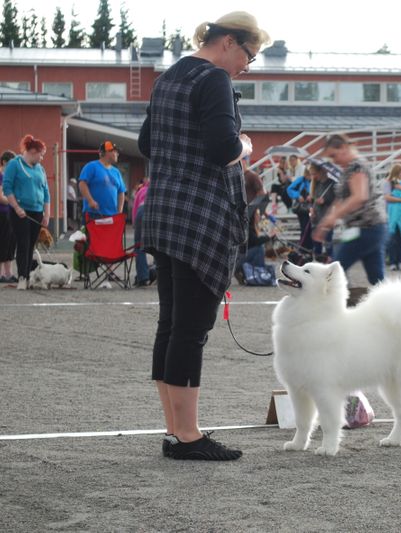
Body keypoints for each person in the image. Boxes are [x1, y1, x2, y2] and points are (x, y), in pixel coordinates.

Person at [138, 11, 270, 461]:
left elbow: (146, 145)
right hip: (199, 219)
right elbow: (222, 148)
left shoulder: (168, 77)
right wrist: (245, 146)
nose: (248, 66)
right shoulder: (213, 79)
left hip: (163, 213)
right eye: (249, 55)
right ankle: (189, 435)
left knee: (171, 325)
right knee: (191, 331)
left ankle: (175, 429)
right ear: (229, 42)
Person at [312, 134, 388, 285]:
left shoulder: (356, 166)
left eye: (334, 155)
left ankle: (342, 303)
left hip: (365, 228)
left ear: (344, 148)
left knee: (335, 272)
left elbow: (359, 196)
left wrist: (332, 218)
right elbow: (341, 199)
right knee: (377, 279)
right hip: (371, 228)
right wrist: (326, 223)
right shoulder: (350, 169)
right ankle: (393, 306)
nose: (334, 161)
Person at [2, 135, 50, 290]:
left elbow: (46, 192)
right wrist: (16, 207)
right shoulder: (14, 165)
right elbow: (8, 188)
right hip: (20, 212)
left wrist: (47, 214)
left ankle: (28, 275)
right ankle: (22, 277)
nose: (42, 158)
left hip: (37, 212)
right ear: (33, 151)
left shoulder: (40, 169)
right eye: (41, 154)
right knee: (23, 243)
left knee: (31, 246)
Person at [78, 141, 126, 221]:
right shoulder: (92, 166)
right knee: (91, 234)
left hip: (112, 215)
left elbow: (121, 192)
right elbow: (82, 183)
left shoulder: (116, 172)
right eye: (115, 151)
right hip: (93, 214)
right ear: (107, 152)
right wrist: (90, 201)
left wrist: (119, 211)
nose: (117, 154)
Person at [383, 164, 401, 271]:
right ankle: (392, 262)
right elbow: (387, 197)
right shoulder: (388, 182)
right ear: (396, 172)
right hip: (391, 215)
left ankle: (400, 261)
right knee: (393, 239)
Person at [308, 160, 336, 260]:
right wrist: (311, 208)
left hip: (327, 217)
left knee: (328, 241)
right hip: (316, 217)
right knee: (316, 242)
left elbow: (336, 201)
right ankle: (318, 261)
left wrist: (325, 201)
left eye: (314, 174)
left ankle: (331, 261)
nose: (313, 177)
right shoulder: (315, 184)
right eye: (311, 174)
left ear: (321, 171)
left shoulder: (332, 184)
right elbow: (312, 201)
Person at [0, 150, 17, 283]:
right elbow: (1, 197)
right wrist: (14, 201)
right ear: (4, 162)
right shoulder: (1, 176)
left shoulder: (10, 177)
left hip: (11, 213)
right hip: (3, 214)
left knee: (11, 243)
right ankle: (1, 274)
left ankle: (8, 273)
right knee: (3, 242)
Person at [287, 167, 313, 250]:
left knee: (311, 229)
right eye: (309, 174)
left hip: (312, 207)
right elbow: (289, 189)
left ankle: (309, 247)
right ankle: (303, 248)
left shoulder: (315, 181)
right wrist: (298, 196)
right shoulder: (301, 180)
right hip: (302, 209)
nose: (310, 176)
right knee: (304, 228)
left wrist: (312, 196)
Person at [132, 177, 151, 287]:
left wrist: (134, 223)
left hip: (142, 210)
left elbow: (135, 208)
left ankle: (143, 277)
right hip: (155, 209)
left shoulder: (142, 190)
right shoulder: (158, 188)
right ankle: (159, 275)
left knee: (139, 246)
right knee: (160, 246)